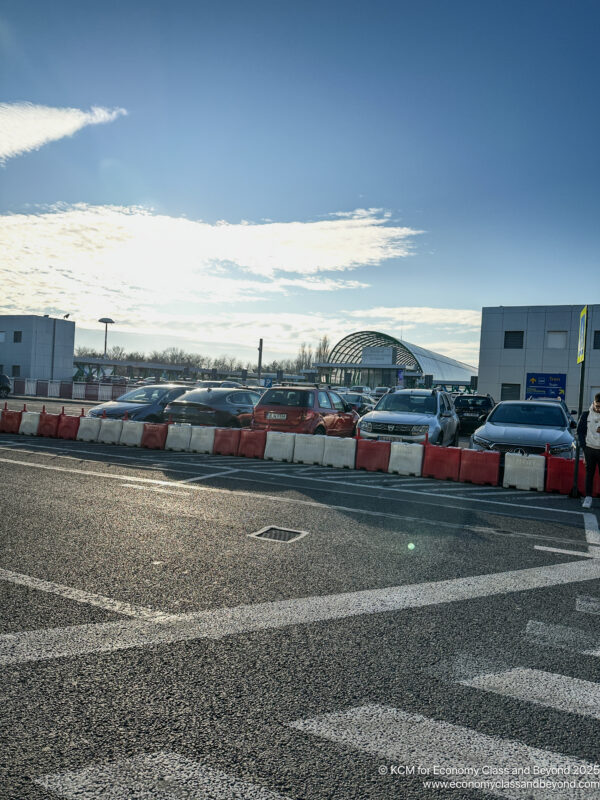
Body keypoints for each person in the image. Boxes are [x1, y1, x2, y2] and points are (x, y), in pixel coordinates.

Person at [576, 392, 600, 508]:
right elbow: (580, 431)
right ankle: (588, 497)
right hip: (589, 449)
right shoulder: (586, 415)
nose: (598, 408)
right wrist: (584, 448)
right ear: (594, 403)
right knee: (589, 474)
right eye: (597, 406)